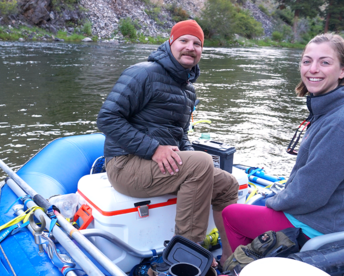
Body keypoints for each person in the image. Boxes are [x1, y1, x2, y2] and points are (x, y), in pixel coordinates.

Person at [96, 20, 239, 265]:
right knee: (201, 163)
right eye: (184, 40)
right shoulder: (143, 73)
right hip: (126, 164)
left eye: (197, 43)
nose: (190, 47)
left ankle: (230, 257)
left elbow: (181, 135)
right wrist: (153, 149)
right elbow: (107, 119)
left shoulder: (188, 90)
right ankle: (187, 257)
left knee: (226, 183)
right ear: (171, 43)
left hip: (161, 166)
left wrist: (197, 163)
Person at [222, 33, 344, 256]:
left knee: (231, 215)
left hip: (319, 226)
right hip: (330, 215)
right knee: (259, 204)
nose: (313, 69)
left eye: (325, 62)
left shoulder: (340, 124)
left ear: (343, 70)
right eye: (307, 61)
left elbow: (309, 195)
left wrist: (274, 201)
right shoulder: (336, 108)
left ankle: (239, 266)